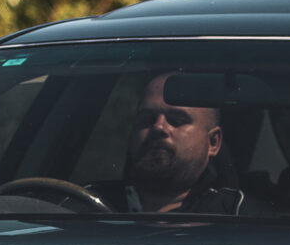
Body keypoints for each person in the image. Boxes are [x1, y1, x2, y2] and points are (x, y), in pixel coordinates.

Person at [91, 73, 245, 213]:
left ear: (213, 142)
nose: (158, 127)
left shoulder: (237, 215)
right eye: (147, 119)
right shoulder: (86, 203)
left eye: (177, 120)